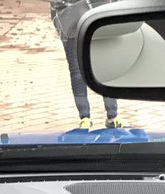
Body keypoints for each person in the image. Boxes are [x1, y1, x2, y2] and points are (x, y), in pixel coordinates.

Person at [50, 0, 123, 129]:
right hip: (75, 19)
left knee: (96, 67)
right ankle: (94, 117)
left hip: (89, 17)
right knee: (85, 69)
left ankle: (104, 116)